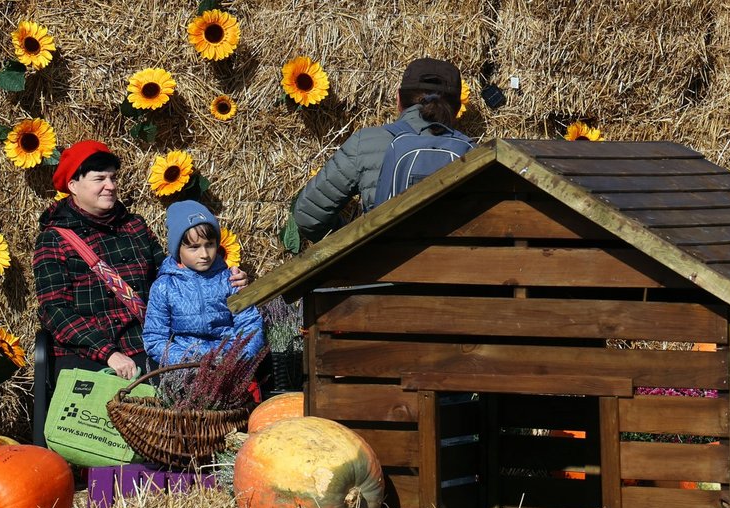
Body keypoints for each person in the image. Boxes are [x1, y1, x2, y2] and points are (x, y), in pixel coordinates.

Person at [34, 140, 248, 382]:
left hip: (145, 343)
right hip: (88, 353)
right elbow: (55, 312)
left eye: (113, 178)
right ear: (73, 185)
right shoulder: (54, 239)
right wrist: (109, 353)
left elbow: (174, 274)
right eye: (99, 179)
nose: (110, 186)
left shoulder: (134, 226)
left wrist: (224, 278)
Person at [292, 57, 470, 242]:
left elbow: (307, 216)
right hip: (453, 269)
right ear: (457, 109)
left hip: (383, 265)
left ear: (398, 99)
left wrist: (353, 242)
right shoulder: (473, 153)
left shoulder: (366, 143)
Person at [143, 200, 265, 365]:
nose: (204, 254)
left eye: (210, 245)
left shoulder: (230, 280)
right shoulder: (164, 287)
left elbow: (250, 324)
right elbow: (155, 339)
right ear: (177, 249)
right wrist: (189, 362)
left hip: (230, 360)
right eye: (194, 247)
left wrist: (237, 358)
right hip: (186, 365)